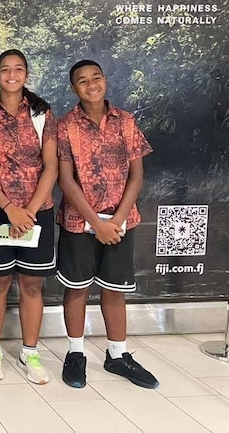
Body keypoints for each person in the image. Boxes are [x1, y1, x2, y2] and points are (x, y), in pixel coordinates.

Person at [57, 59, 158, 389]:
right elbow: (66, 181)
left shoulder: (126, 122)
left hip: (120, 222)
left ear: (105, 81)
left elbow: (137, 175)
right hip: (78, 222)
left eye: (96, 78)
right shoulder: (65, 126)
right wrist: (94, 222)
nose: (91, 85)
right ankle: (75, 354)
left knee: (114, 291)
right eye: (82, 81)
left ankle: (118, 355)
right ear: (74, 88)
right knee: (77, 289)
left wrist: (115, 220)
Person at [0, 50, 57, 384]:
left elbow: (50, 166)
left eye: (18, 69)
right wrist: (10, 209)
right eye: (5, 69)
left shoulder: (42, 114)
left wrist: (30, 211)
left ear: (26, 74)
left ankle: (30, 353)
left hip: (38, 212)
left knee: (32, 284)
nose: (11, 74)